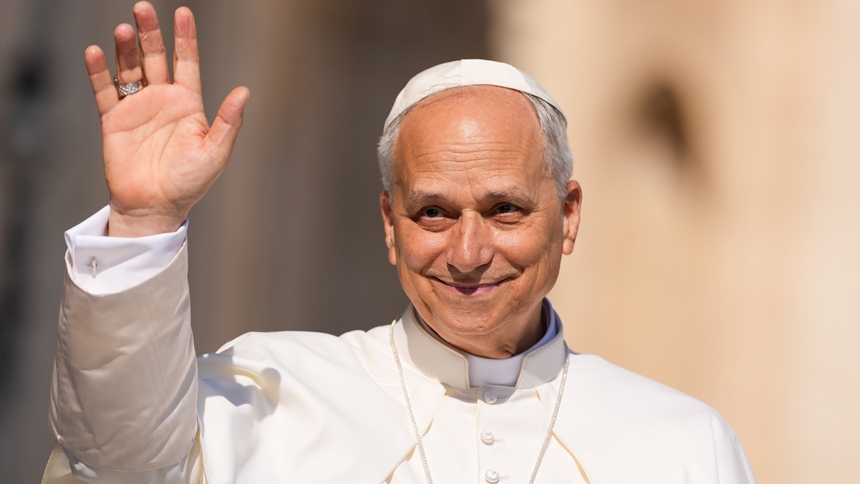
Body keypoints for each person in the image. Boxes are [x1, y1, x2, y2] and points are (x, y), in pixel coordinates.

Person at [42, 3, 755, 483]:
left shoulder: (684, 447)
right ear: (389, 225)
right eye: (434, 214)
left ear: (567, 216)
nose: (469, 253)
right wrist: (144, 219)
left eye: (504, 209)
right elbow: (114, 460)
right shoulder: (270, 392)